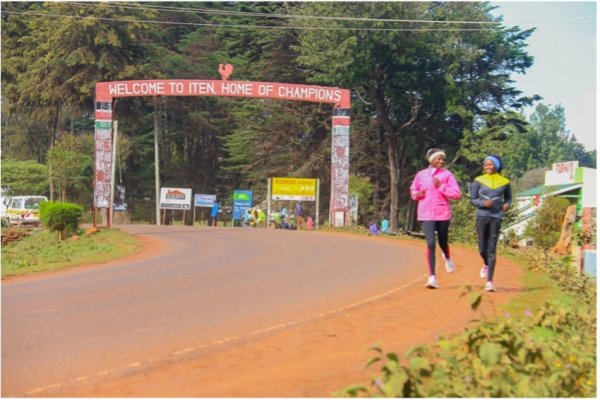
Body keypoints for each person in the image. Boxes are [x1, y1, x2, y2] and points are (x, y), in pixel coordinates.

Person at [410, 148, 461, 289]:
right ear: (431, 160)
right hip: (426, 214)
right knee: (431, 243)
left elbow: (456, 194)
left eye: (443, 159)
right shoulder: (421, 175)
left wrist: (441, 186)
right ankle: (432, 277)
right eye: (438, 158)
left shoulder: (447, 175)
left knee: (443, 242)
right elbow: (413, 191)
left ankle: (448, 257)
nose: (441, 161)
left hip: (442, 213)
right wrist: (417, 194)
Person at [469, 155, 512, 292]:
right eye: (485, 164)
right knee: (482, 248)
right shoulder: (478, 181)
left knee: (492, 249)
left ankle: (490, 282)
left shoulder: (505, 182)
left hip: (496, 217)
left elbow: (509, 199)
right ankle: (486, 264)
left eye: (490, 164)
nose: (487, 166)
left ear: (497, 166)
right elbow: (473, 199)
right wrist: (483, 203)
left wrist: (507, 205)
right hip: (482, 216)